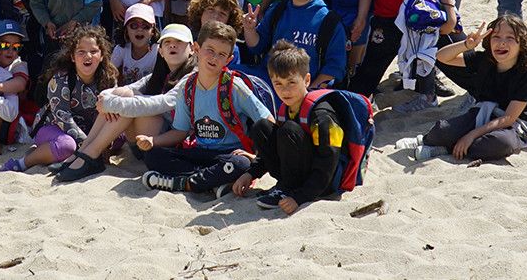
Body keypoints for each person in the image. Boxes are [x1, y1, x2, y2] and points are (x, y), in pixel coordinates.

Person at [138, 21, 273, 195]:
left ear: (229, 59)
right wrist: (152, 141)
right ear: (196, 48)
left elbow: (268, 122)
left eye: (221, 54)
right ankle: (210, 182)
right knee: (153, 156)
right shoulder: (187, 86)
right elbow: (180, 132)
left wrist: (257, 158)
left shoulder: (234, 86)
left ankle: (184, 183)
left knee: (241, 164)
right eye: (209, 50)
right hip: (200, 154)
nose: (214, 58)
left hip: (229, 154)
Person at [54, 24, 196, 182]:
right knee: (123, 94)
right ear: (160, 51)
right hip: (142, 142)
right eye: (167, 42)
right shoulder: (161, 73)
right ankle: (85, 149)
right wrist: (106, 97)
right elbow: (124, 89)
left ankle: (91, 154)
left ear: (192, 49)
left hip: (167, 143)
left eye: (179, 41)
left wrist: (112, 103)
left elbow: (164, 102)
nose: (173, 45)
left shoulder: (192, 76)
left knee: (126, 102)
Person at [396, 15, 527, 162]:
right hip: (483, 112)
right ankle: (426, 140)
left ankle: (446, 149)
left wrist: (471, 135)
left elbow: (508, 119)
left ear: (522, 44)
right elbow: (442, 57)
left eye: (510, 38)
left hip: (512, 125)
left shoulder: (526, 75)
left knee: (499, 144)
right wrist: (466, 45)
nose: (502, 43)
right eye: (496, 37)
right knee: (442, 130)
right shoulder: (485, 59)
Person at [232, 41, 348, 213]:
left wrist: (300, 197)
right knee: (262, 127)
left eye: (291, 82)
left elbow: (328, 162)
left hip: (323, 182)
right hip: (296, 174)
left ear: (306, 80)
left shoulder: (322, 115)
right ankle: (284, 186)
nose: (285, 90)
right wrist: (251, 174)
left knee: (289, 130)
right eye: (278, 83)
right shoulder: (285, 109)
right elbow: (274, 149)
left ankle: (287, 188)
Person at [0, 25, 117, 172]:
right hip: (54, 126)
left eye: (94, 51)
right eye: (81, 52)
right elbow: (63, 117)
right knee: (67, 146)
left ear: (102, 56)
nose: (88, 56)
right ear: (73, 57)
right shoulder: (62, 78)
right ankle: (23, 162)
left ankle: (64, 155)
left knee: (119, 135)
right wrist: (90, 144)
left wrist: (104, 142)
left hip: (89, 130)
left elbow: (111, 110)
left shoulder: (108, 79)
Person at [240, 0, 346, 90]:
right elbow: (256, 47)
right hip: (267, 81)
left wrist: (309, 95)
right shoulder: (277, 11)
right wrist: (249, 30)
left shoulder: (329, 21)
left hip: (302, 90)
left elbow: (335, 68)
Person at [112, 4, 160, 85]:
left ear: (152, 31)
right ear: (126, 30)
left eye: (145, 26)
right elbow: (110, 74)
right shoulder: (121, 49)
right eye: (134, 25)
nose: (140, 29)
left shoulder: (158, 52)